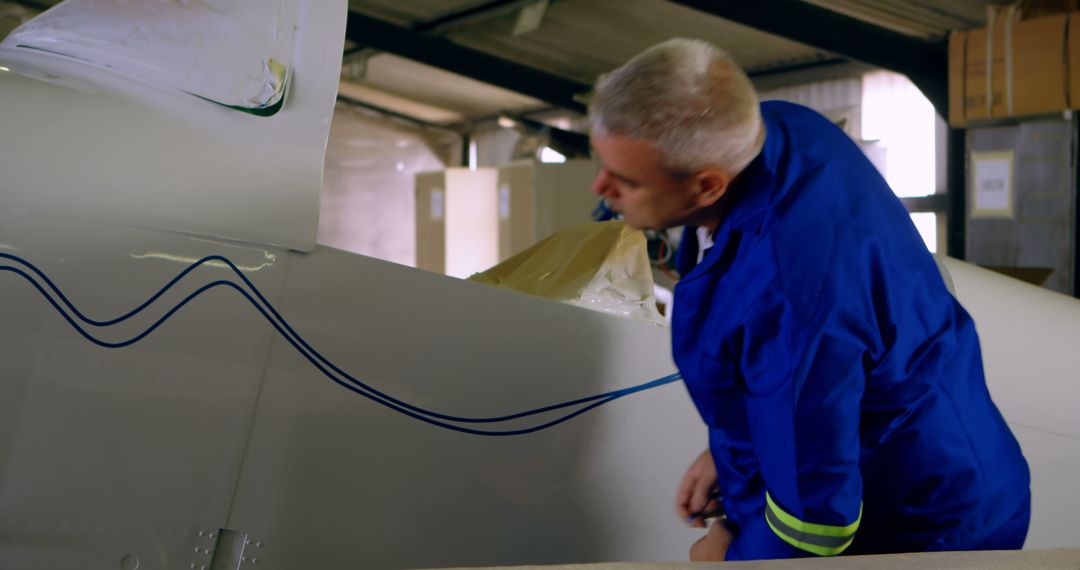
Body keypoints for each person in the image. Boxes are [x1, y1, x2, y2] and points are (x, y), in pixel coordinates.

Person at [588, 38, 1030, 561]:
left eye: (627, 180)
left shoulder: (790, 302)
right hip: (934, 441)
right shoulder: (773, 129)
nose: (601, 187)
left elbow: (815, 525)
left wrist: (728, 556)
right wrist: (732, 451)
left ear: (707, 186)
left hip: (924, 528)